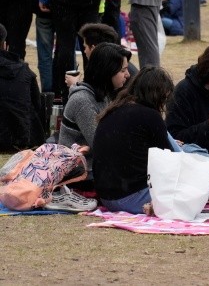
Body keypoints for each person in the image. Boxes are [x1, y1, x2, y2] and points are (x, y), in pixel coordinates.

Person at [93, 67, 174, 214]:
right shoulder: (150, 116)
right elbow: (171, 160)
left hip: (107, 197)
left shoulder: (114, 109)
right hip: (133, 196)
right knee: (207, 178)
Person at [58, 43, 131, 186]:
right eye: (123, 70)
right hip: (80, 173)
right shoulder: (83, 101)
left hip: (95, 168)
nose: (127, 75)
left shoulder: (103, 95)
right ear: (107, 71)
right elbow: (102, 145)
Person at [0, 23, 45, 151]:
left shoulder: (22, 70)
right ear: (5, 45)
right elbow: (37, 104)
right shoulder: (23, 70)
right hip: (20, 138)